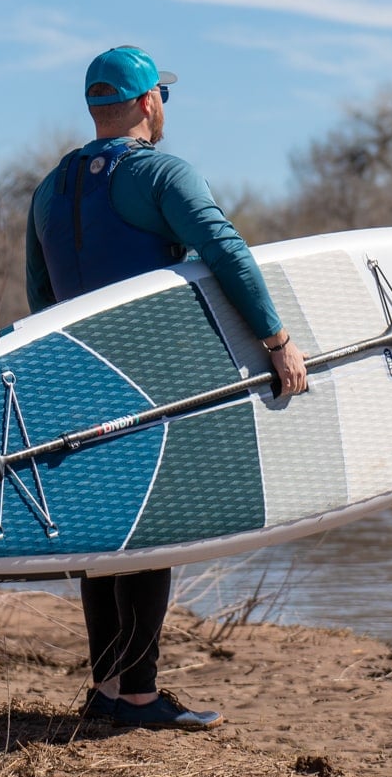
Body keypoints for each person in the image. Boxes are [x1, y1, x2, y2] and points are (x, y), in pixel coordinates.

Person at [25, 46, 308, 730]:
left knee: (105, 537)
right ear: (149, 102)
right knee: (152, 530)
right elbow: (224, 249)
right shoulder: (159, 174)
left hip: (78, 381)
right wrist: (276, 340)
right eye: (163, 99)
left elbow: (40, 301)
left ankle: (108, 690)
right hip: (149, 380)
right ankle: (141, 697)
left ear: (97, 107)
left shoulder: (48, 192)